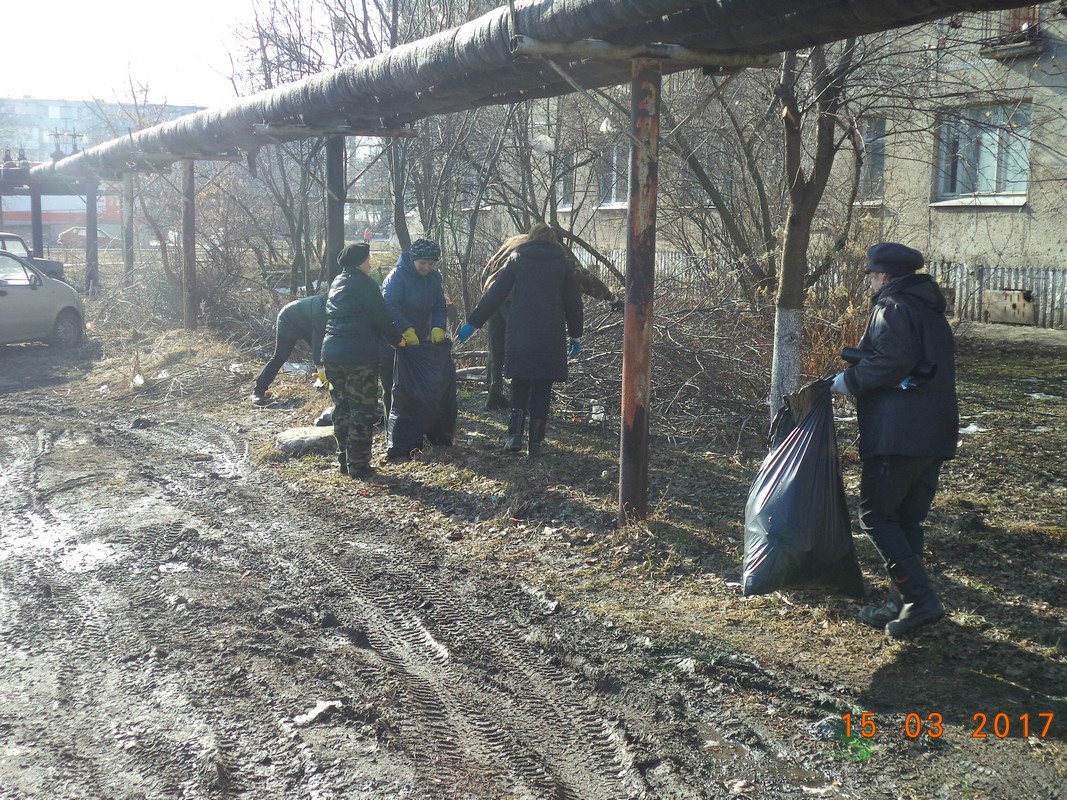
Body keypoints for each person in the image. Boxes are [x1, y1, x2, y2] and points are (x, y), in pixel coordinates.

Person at [831, 242, 958, 637]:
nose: (870, 280)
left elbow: (891, 360)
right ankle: (900, 602)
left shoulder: (892, 307)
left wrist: (848, 381)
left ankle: (919, 600)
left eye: (871, 274)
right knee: (906, 520)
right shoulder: (930, 311)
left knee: (876, 516)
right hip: (932, 434)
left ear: (884, 275)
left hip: (898, 434)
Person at [457, 222, 583, 457]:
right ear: (554, 241)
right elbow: (573, 303)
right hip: (550, 334)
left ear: (531, 239)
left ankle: (514, 437)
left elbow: (495, 293)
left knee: (520, 382)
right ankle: (535, 444)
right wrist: (576, 335)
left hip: (520, 332)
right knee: (542, 386)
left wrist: (473, 322)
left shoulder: (517, 259)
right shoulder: (563, 264)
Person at [479, 230, 620, 410]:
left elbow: (487, 270)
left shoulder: (513, 242)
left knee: (496, 345)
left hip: (493, 292)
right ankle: (528, 400)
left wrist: (489, 298)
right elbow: (582, 277)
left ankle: (494, 394)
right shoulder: (554, 250)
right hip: (518, 299)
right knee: (528, 348)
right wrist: (610, 297)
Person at [321, 243, 405, 478]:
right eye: (368, 260)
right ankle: (359, 464)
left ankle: (344, 461)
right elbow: (381, 318)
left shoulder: (337, 282)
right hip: (358, 357)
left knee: (342, 408)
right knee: (362, 409)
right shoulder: (365, 285)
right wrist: (398, 340)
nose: (370, 264)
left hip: (332, 355)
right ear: (360, 262)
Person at [379, 238, 449, 421]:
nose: (426, 267)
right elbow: (389, 306)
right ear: (412, 259)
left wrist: (437, 326)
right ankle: (392, 429)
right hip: (393, 340)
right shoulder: (397, 277)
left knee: (417, 385)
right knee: (393, 386)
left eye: (431, 264)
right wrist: (405, 330)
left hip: (420, 339)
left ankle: (415, 426)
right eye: (422, 263)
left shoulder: (434, 279)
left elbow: (439, 305)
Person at [250, 263, 339, 406]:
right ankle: (258, 391)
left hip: (306, 323)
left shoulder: (332, 305)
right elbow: (318, 345)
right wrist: (323, 372)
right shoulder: (322, 312)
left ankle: (320, 383)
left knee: (325, 353)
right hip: (288, 319)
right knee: (280, 356)